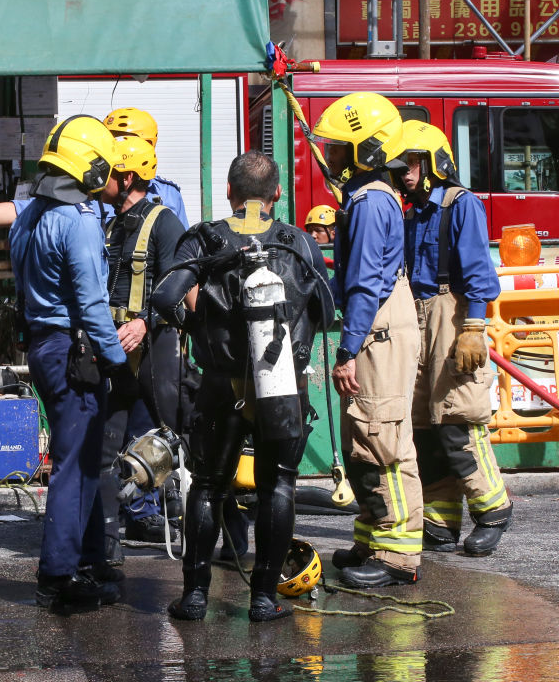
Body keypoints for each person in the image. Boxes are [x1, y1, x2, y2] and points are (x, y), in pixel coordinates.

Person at [152, 150, 334, 622]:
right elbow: (327, 311)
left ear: (230, 192)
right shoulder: (298, 241)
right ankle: (263, 599)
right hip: (283, 387)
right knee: (279, 486)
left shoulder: (205, 239)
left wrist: (195, 329)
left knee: (209, 485)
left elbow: (165, 296)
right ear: (277, 194)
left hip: (220, 384)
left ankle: (195, 598)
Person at [9, 115, 137, 612]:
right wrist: (118, 366)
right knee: (74, 467)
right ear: (93, 167)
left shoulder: (30, 214)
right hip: (74, 352)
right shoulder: (78, 220)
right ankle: (57, 577)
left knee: (78, 462)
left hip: (44, 347)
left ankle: (85, 561)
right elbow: (91, 307)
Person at [312, 92, 424, 588]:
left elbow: (362, 284)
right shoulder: (370, 196)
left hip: (377, 327)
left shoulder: (369, 202)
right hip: (379, 322)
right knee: (372, 434)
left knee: (381, 437)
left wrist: (346, 350)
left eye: (338, 148)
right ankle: (374, 538)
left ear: (368, 150)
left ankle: (397, 556)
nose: (330, 156)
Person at [393, 120, 512, 556]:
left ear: (434, 163)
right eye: (400, 165)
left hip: (452, 314)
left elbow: (479, 270)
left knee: (458, 419)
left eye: (412, 163)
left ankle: (494, 509)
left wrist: (474, 328)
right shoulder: (410, 210)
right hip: (418, 314)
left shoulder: (461, 205)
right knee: (425, 424)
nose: (404, 172)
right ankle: (441, 522)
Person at [96, 135, 185, 561]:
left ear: (126, 177)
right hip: (113, 346)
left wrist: (143, 321)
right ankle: (114, 522)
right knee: (110, 437)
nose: (100, 181)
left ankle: (167, 515)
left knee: (160, 434)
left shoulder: (166, 223)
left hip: (154, 343)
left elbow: (174, 287)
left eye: (108, 174)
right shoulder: (110, 224)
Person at [103, 107, 189, 228]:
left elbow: (181, 243)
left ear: (148, 145)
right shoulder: (97, 193)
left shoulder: (169, 193)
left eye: (123, 139)